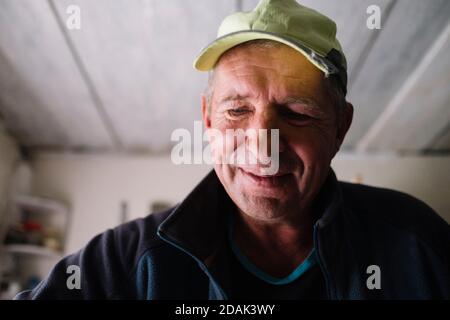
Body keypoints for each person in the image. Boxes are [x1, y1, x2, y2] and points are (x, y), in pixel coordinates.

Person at [16, 0, 449, 300]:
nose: (262, 144)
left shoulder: (416, 243)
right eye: (237, 110)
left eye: (296, 113)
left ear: (340, 128)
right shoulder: (128, 261)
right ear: (207, 119)